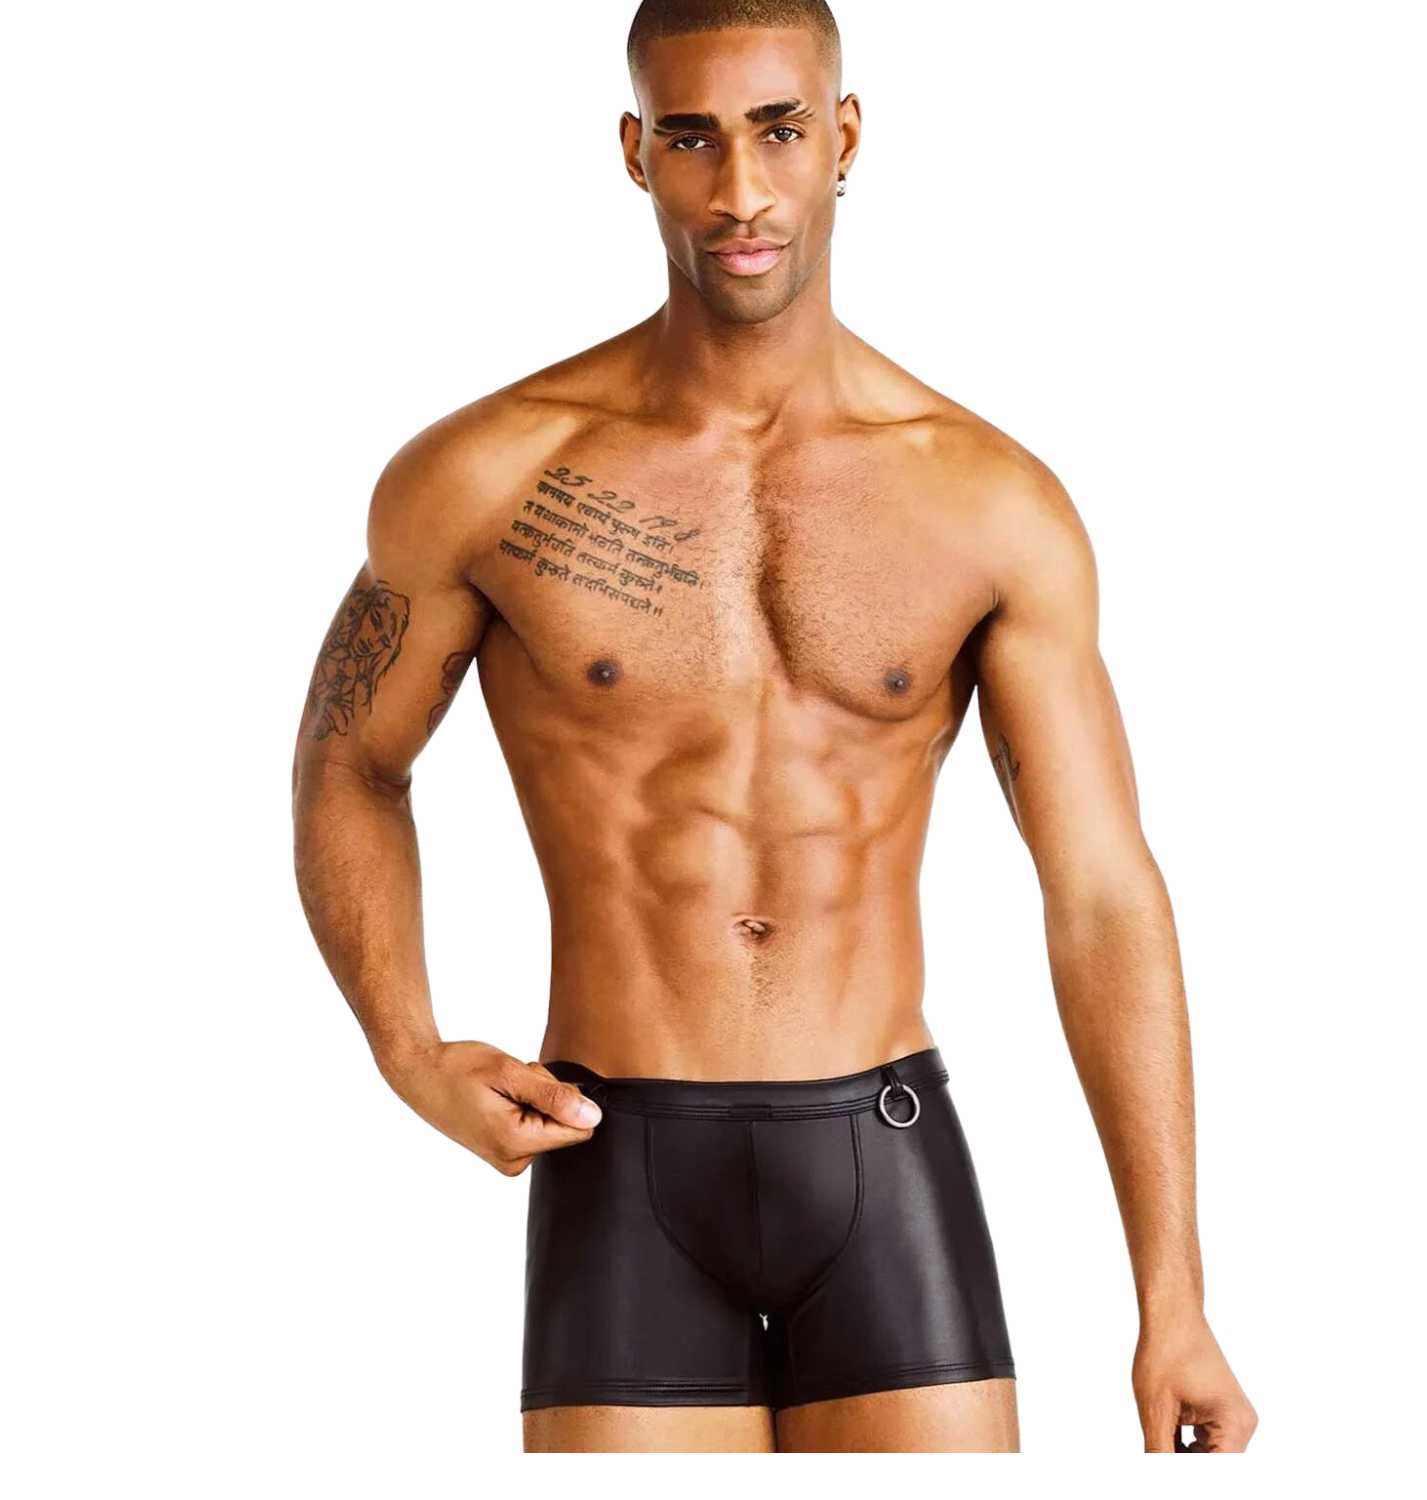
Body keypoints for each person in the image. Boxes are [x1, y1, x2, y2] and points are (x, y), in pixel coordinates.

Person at [290, 0, 1256, 1455]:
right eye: (692, 139)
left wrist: (1173, 1299)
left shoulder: (987, 502)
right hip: (617, 1150)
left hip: (884, 1150)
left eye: (779, 131)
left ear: (844, 136)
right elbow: (351, 762)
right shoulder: (491, 474)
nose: (740, 191)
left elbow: (1102, 888)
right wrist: (407, 1048)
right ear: (634, 152)